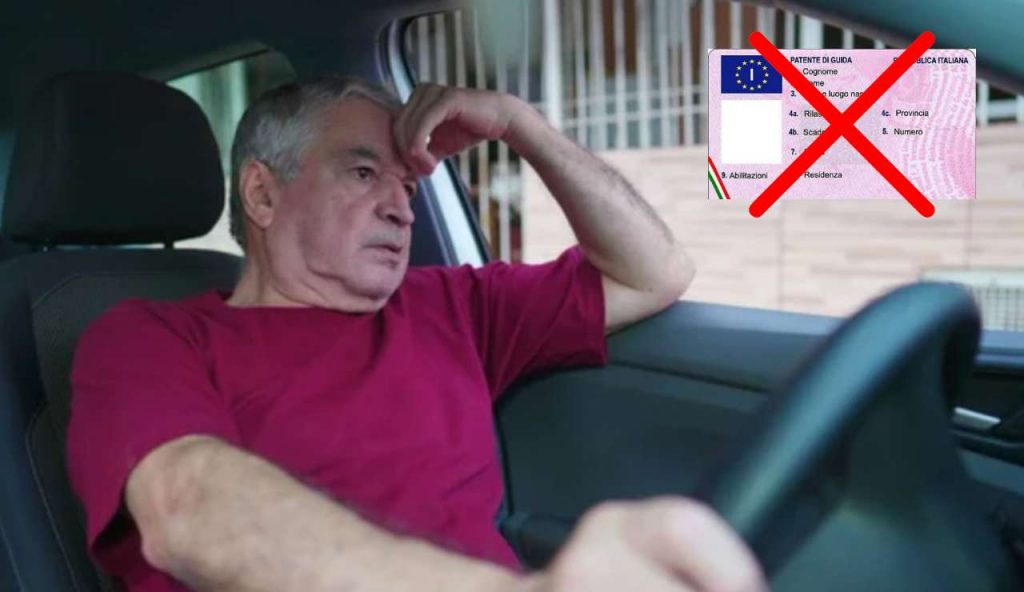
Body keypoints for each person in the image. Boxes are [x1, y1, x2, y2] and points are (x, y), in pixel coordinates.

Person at [67, 76, 766, 592]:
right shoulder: (148, 337)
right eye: (363, 172)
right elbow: (188, 507)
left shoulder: (453, 305)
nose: (403, 210)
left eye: (407, 187)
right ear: (262, 193)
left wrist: (522, 126)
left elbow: (656, 272)